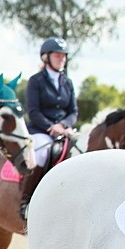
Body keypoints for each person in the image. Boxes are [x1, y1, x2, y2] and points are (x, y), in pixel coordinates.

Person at [19, 36, 77, 220]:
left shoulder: (67, 82)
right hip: (40, 130)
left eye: (64, 56)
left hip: (64, 130)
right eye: (58, 55)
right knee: (43, 153)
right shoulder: (36, 81)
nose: (62, 59)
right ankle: (26, 201)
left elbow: (73, 111)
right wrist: (51, 127)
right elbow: (33, 111)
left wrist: (64, 126)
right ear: (47, 57)